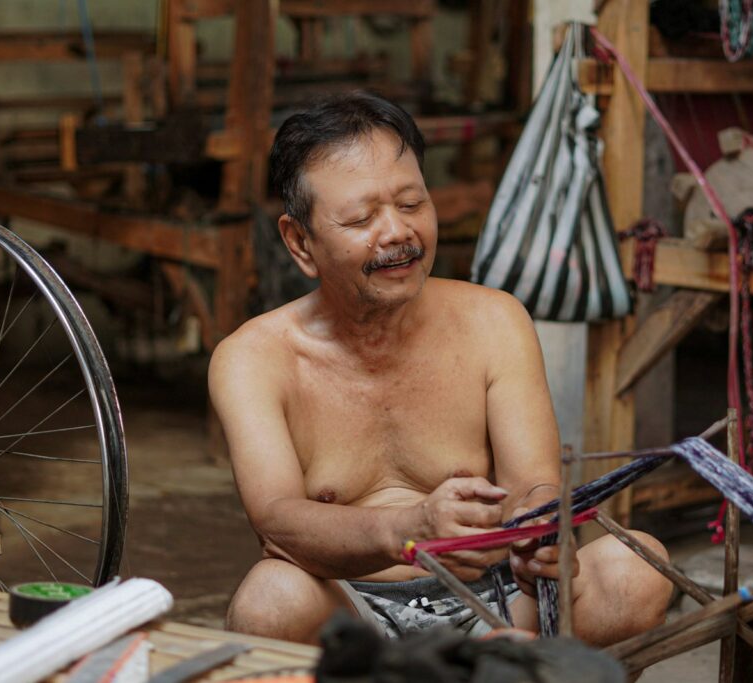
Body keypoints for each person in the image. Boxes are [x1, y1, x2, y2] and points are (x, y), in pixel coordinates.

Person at [209, 92, 671, 645]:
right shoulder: (253, 358)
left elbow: (533, 485)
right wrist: (405, 530)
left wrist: (539, 540)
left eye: (410, 204)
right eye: (361, 218)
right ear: (300, 242)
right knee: (270, 599)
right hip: (352, 615)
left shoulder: (494, 320)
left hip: (497, 601)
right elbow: (278, 522)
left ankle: (478, 660)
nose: (397, 233)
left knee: (637, 569)